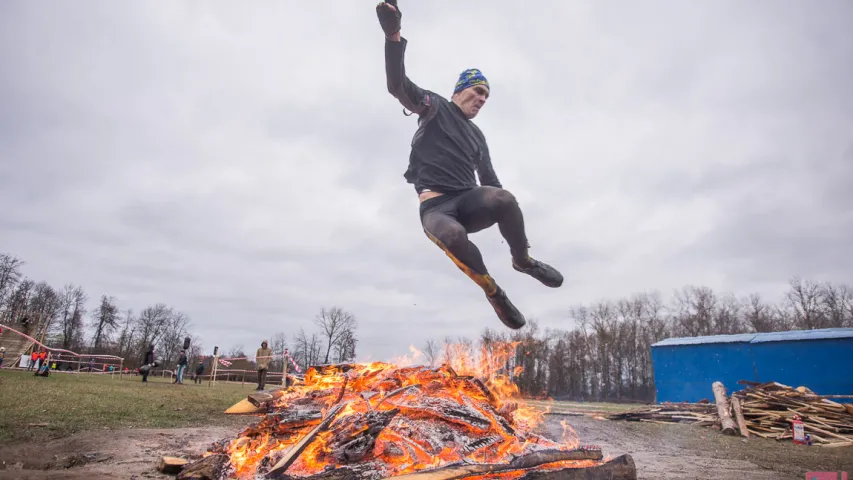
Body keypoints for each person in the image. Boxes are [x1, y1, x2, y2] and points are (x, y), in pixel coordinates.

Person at [375, 0, 563, 329]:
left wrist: (509, 215)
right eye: (477, 92)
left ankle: (524, 261)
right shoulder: (434, 106)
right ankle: (494, 292)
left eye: (486, 97)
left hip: (468, 200)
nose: (481, 100)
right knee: (453, 235)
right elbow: (397, 86)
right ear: (461, 90)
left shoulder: (477, 136)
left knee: (502, 198)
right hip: (437, 209)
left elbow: (492, 184)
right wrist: (394, 37)